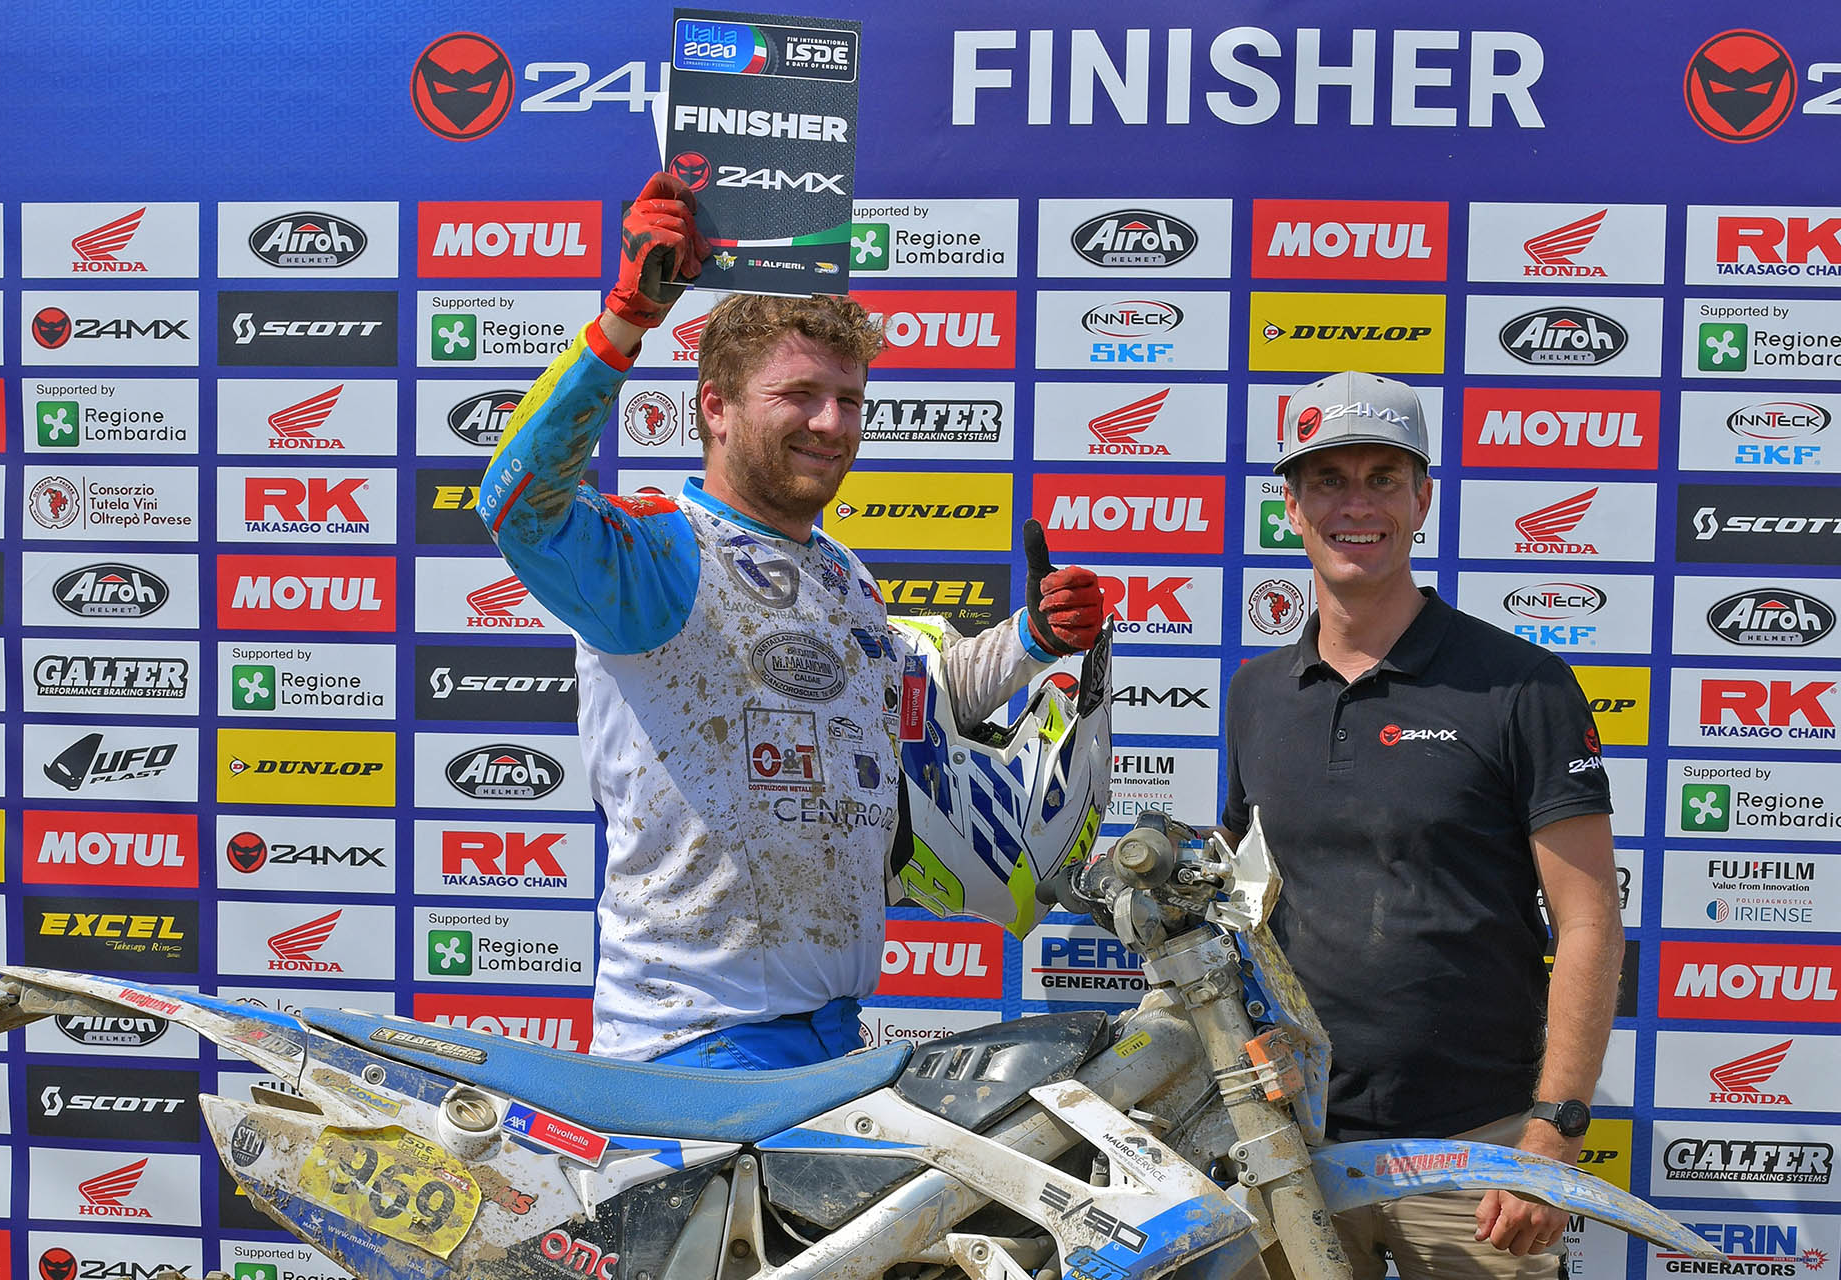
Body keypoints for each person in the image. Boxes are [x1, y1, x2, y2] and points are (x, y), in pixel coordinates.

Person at [478, 172, 1107, 1069]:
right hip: (691, 1040)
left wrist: (1034, 638)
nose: (830, 422)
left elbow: (916, 696)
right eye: (799, 393)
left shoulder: (842, 572)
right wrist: (626, 320)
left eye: (850, 399)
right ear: (715, 405)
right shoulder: (660, 551)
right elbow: (517, 506)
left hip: (834, 1031)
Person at [1218, 371, 1624, 1280]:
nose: (1356, 505)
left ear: (1423, 500)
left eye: (1383, 479)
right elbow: (1243, 908)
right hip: (1293, 1145)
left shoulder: (1522, 685)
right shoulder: (1255, 694)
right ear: (1292, 507)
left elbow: (1590, 918)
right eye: (1328, 480)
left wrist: (1553, 1133)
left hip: (1478, 1149)